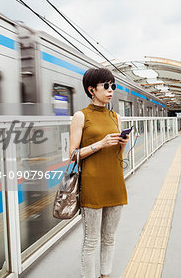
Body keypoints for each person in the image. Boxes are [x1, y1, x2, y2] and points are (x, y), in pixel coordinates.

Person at [70, 68, 129, 278]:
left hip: (115, 182)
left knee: (109, 237)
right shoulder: (81, 116)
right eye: (106, 86)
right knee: (91, 240)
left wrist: (123, 144)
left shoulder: (115, 116)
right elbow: (73, 155)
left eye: (112, 85)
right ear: (91, 90)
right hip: (92, 184)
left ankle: (106, 275)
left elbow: (118, 154)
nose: (111, 90)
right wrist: (99, 144)